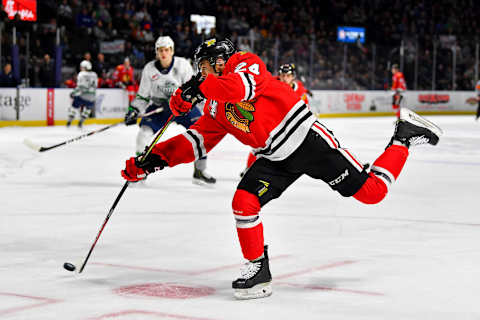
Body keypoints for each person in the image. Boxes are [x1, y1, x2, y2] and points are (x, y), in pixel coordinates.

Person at [121, 38, 443, 300]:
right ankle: (258, 269)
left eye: (203, 66)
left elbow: (237, 89)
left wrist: (195, 90)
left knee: (373, 193)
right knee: (243, 202)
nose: (200, 73)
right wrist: (152, 161)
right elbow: (195, 143)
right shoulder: (215, 104)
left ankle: (404, 137)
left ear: (220, 60)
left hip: (306, 140)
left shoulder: (246, 63)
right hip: (273, 158)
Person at [123, 36, 215, 185]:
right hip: (160, 108)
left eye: (166, 50)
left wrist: (180, 101)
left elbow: (193, 88)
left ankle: (199, 171)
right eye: (160, 50)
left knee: (202, 133)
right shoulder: (149, 69)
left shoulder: (183, 65)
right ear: (156, 52)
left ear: (172, 51)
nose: (163, 53)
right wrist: (134, 110)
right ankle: (140, 172)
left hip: (183, 107)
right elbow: (143, 95)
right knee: (143, 135)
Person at [67, 60, 98, 128]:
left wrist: (73, 93)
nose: (81, 68)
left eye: (82, 67)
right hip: (92, 96)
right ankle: (82, 120)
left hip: (83, 95)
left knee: (74, 105)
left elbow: (80, 87)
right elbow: (95, 86)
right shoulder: (94, 74)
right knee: (88, 108)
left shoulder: (81, 74)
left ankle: (69, 120)